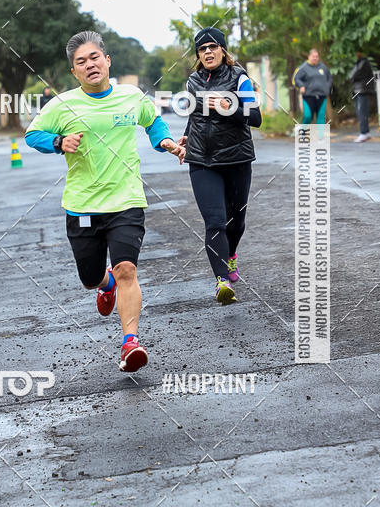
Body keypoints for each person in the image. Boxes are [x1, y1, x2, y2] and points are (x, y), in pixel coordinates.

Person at [25, 30, 185, 372]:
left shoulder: (131, 97)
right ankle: (104, 283)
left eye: (94, 57)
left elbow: (153, 122)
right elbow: (32, 134)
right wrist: (58, 142)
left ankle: (130, 342)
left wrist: (168, 144)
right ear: (74, 72)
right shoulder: (63, 104)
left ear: (107, 60)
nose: (89, 65)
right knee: (90, 276)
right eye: (81, 62)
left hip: (126, 199)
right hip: (82, 205)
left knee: (128, 268)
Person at [177, 27, 261, 305]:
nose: (208, 52)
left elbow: (256, 117)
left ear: (223, 50)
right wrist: (188, 137)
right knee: (215, 222)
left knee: (235, 222)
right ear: (198, 55)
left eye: (213, 47)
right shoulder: (193, 81)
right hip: (202, 161)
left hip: (236, 158)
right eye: (202, 49)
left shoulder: (240, 79)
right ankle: (222, 281)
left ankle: (231, 255)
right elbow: (194, 117)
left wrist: (229, 106)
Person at [292, 48, 332, 123]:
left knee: (321, 117)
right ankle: (303, 134)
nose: (315, 58)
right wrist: (301, 85)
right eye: (313, 56)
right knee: (308, 116)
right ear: (309, 57)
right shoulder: (303, 68)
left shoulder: (323, 67)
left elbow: (329, 78)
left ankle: (320, 135)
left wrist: (326, 87)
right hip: (308, 96)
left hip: (322, 96)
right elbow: (296, 79)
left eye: (316, 56)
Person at [349, 51, 376, 143]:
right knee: (360, 112)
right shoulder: (359, 63)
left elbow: (352, 75)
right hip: (359, 90)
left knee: (362, 112)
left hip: (362, 90)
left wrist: (351, 75)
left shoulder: (363, 62)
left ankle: (364, 133)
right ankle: (366, 132)